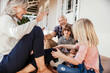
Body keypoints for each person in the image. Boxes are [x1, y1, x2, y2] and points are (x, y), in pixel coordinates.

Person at [0, 0, 52, 73]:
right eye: (24, 9)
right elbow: (16, 32)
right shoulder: (5, 18)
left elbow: (20, 39)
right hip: (7, 62)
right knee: (36, 30)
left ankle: (22, 72)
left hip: (15, 60)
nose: (25, 12)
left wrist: (37, 40)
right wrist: (36, 20)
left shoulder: (12, 21)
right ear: (15, 7)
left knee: (51, 52)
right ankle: (42, 69)